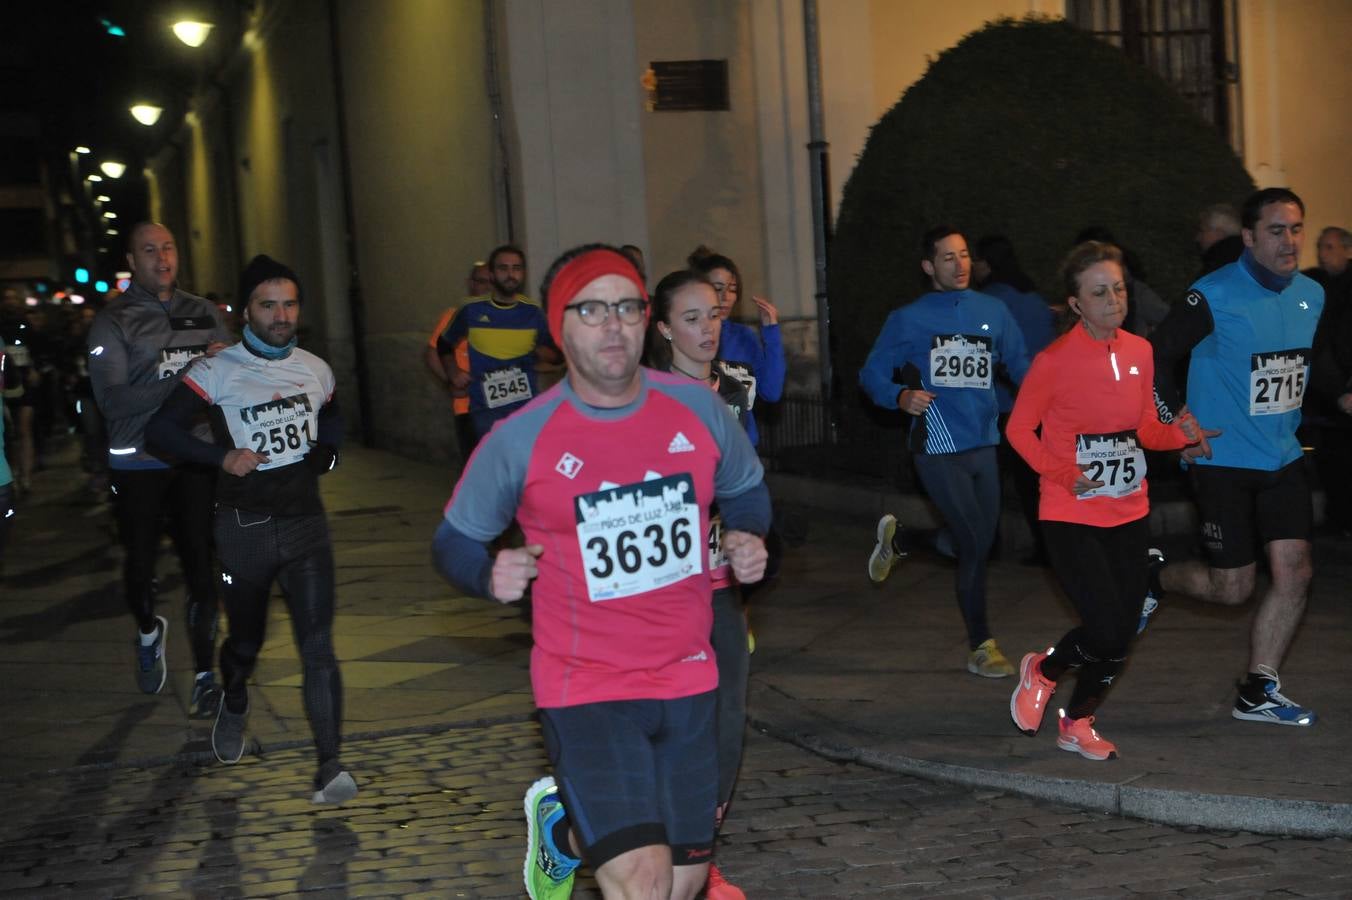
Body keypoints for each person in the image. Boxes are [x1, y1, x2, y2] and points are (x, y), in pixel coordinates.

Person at [432, 245, 770, 900]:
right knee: (643, 882)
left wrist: (751, 537)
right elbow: (454, 541)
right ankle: (583, 826)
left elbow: (747, 488)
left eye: (626, 308)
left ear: (646, 319)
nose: (612, 326)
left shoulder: (697, 409)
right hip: (586, 684)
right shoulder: (521, 437)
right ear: (560, 328)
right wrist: (488, 572)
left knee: (684, 881)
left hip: (689, 674)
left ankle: (564, 833)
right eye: (592, 310)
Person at [145, 255, 355, 802]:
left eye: (289, 303)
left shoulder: (316, 367)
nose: (281, 314)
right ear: (246, 311)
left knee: (319, 647)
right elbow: (161, 431)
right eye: (268, 304)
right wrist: (220, 458)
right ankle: (234, 696)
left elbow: (331, 412)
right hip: (246, 530)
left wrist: (326, 454)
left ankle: (330, 764)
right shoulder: (216, 371)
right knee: (246, 642)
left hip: (306, 525)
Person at [1006, 242, 1212, 760]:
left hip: (1128, 510)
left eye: (1118, 288)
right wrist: (1061, 471)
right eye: (1099, 292)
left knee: (1119, 635)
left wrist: (1180, 435)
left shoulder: (1141, 352)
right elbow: (1017, 429)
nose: (1113, 299)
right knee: (1104, 626)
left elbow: (1143, 428)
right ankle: (1043, 670)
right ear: (1075, 303)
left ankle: (1077, 720)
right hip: (1069, 511)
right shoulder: (1054, 362)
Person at [1150, 187, 1324, 726]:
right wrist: (1176, 420)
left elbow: (1306, 364)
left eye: (1296, 228)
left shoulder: (1311, 295)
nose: (1289, 240)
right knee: (1234, 589)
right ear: (1248, 238)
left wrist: (1340, 391)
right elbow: (1155, 355)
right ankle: (1150, 576)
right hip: (1221, 459)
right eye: (1276, 230)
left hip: (1283, 456)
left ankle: (1259, 688)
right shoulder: (1212, 295)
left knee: (1294, 572)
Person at [860, 225, 1030, 677]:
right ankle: (981, 645)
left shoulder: (993, 310)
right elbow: (872, 374)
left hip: (983, 443)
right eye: (948, 258)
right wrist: (899, 397)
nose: (960, 265)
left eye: (964, 255)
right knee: (973, 542)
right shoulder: (908, 319)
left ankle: (903, 540)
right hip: (936, 445)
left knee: (978, 540)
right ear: (928, 267)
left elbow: (1021, 366)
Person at [87, 222, 231, 713]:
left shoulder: (205, 312)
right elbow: (113, 401)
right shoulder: (113, 322)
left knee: (201, 565)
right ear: (132, 260)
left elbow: (233, 381)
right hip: (138, 461)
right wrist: (187, 380)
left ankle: (206, 675)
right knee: (141, 563)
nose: (161, 257)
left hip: (194, 454)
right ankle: (148, 630)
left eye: (167, 247)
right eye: (148, 250)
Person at [645, 268, 751, 900]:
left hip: (719, 581)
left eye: (713, 314)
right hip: (660, 588)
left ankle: (699, 855)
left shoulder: (738, 387)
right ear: (663, 329)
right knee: (669, 721)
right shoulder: (649, 397)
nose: (708, 327)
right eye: (692, 318)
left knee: (727, 718)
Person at [973, 234, 1056, 565]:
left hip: (1003, 406)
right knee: (1034, 483)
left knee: (987, 481)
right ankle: (1048, 546)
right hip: (1038, 405)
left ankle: (986, 544)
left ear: (987, 264)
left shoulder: (990, 301)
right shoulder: (1034, 297)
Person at [435, 245, 560, 439]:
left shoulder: (534, 312)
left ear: (523, 274)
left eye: (516, 268)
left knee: (524, 466)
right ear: (492, 275)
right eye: (503, 268)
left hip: (525, 409)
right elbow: (443, 344)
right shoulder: (471, 310)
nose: (510, 274)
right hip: (485, 410)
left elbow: (557, 356)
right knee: (492, 467)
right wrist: (453, 373)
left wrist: (544, 354)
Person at [687, 248, 784, 447]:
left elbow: (772, 391)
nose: (725, 296)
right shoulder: (686, 337)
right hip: (702, 454)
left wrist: (771, 332)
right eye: (717, 287)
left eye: (731, 289)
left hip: (744, 456)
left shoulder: (744, 337)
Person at [425, 261, 491, 458]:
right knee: (476, 466)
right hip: (470, 406)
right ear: (471, 284)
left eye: (492, 282)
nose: (487, 287)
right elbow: (433, 353)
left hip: (506, 406)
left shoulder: (508, 316)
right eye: (482, 282)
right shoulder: (456, 316)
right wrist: (451, 380)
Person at [1197, 203, 1245, 276]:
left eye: (1202, 231)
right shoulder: (1246, 261)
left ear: (1219, 233)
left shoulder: (1218, 266)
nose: (1198, 238)